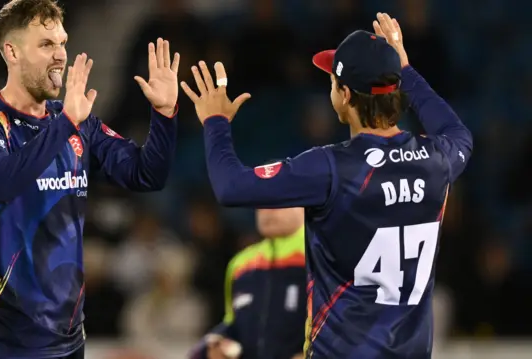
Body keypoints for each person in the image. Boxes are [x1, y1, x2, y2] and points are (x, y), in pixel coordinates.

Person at [180, 12, 472, 359]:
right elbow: (458, 133)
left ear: (345, 94)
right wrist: (405, 70)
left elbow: (230, 187)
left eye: (332, 81)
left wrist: (215, 122)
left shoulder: (331, 167)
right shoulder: (436, 159)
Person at [0, 0, 180, 358]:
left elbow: (146, 174)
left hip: (68, 339)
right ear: (12, 51)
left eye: (62, 42)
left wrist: (164, 115)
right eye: (46, 45)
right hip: (2, 342)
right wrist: (65, 125)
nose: (60, 55)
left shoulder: (77, 122)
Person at [188, 207, 306, 359]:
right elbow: (232, 323)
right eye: (261, 204)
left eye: (278, 202)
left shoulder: (324, 258)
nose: (267, 211)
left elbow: (341, 326)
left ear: (304, 205)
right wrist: (217, 345)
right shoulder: (241, 264)